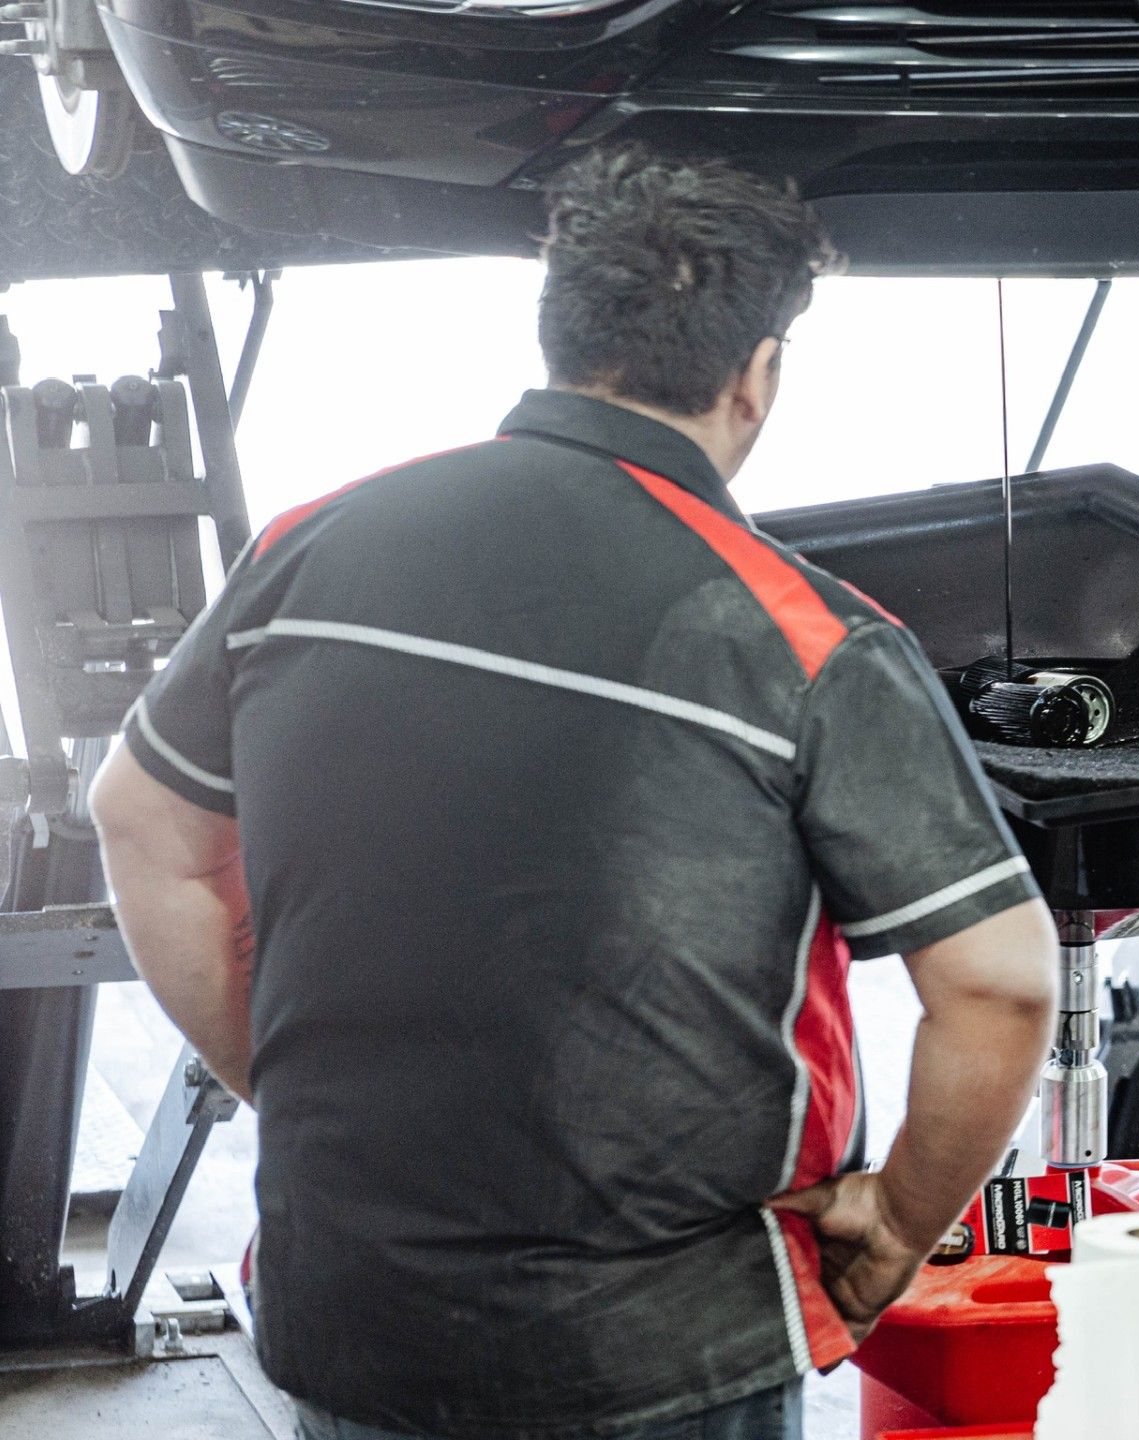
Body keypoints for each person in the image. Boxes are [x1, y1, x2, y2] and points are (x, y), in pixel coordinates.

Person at [90, 146, 1058, 1440]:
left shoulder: (309, 547)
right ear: (757, 375)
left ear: (560, 329)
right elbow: (1001, 981)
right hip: (661, 1362)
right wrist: (888, 1231)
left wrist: (286, 1085)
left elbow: (142, 822)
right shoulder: (806, 641)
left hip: (352, 1318)